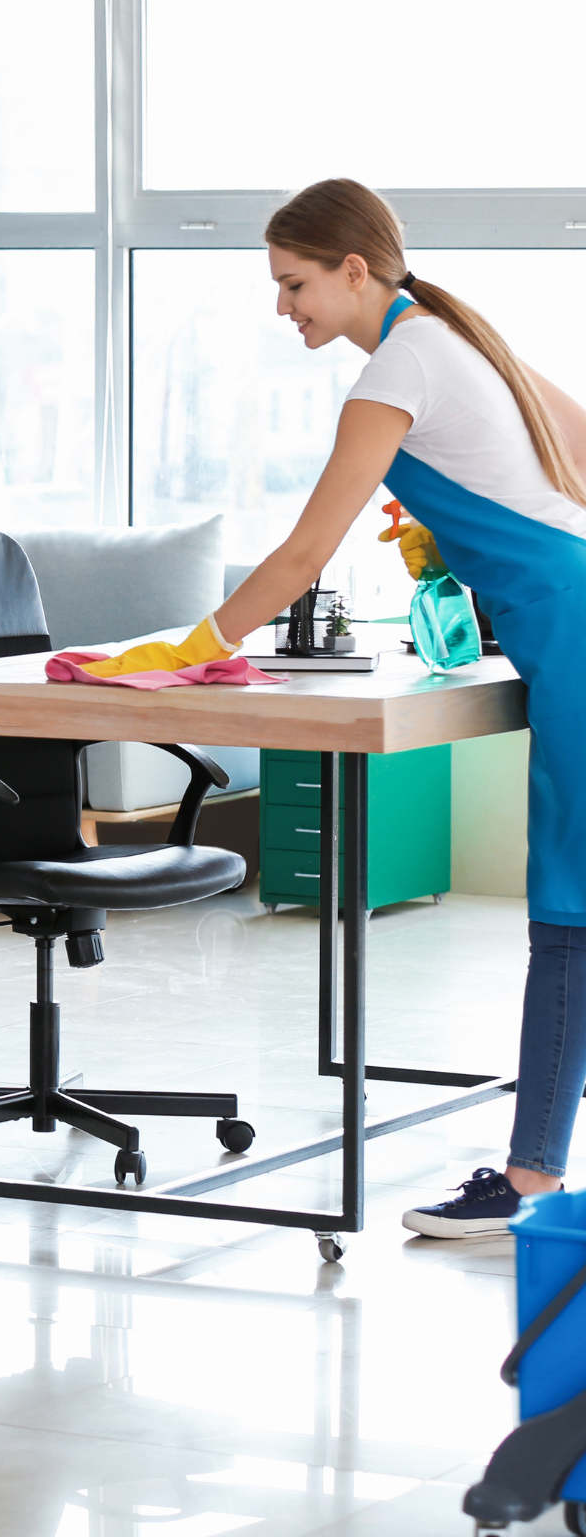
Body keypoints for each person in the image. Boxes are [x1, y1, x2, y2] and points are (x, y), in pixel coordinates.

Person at [89, 177, 586, 1238]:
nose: (283, 308)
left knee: (569, 920)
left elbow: (307, 548)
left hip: (573, 635)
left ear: (352, 268)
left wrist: (198, 644)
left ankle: (532, 1182)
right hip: (565, 617)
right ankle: (536, 1169)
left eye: (293, 282)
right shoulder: (452, 335)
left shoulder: (403, 360)